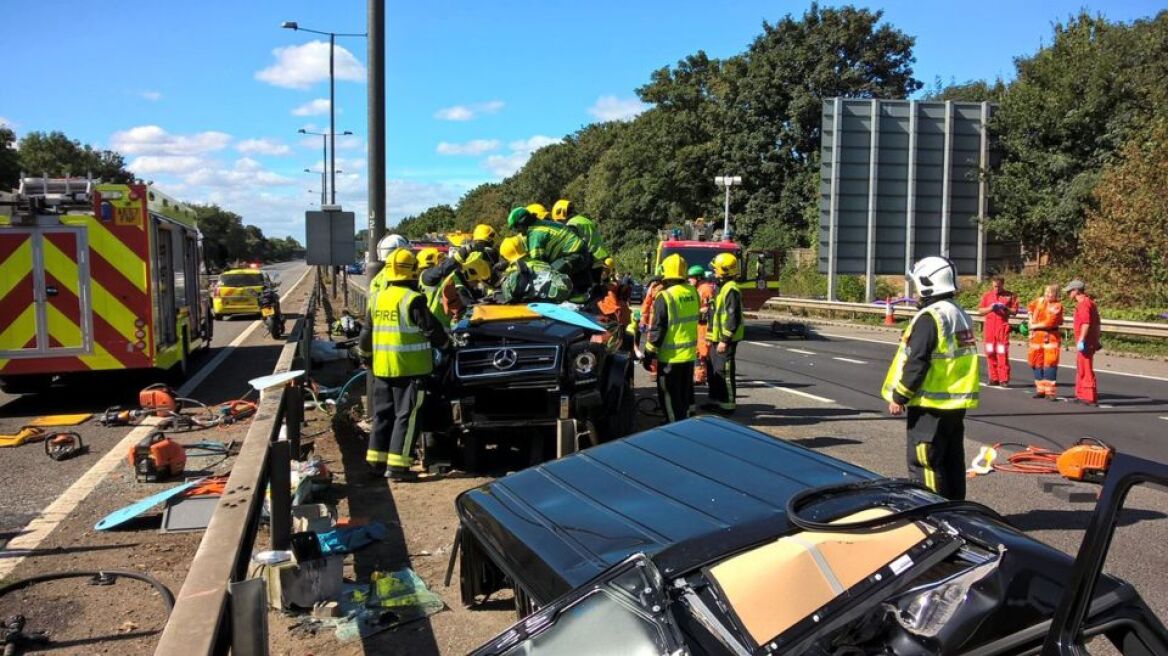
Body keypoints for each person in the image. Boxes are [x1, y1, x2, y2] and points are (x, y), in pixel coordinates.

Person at [882, 256, 979, 500]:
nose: (915, 290)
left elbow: (918, 361)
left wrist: (900, 396)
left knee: (925, 463)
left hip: (929, 406)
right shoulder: (958, 313)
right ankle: (956, 511)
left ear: (927, 283)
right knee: (951, 462)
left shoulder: (930, 317)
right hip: (954, 404)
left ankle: (931, 514)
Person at [357, 248, 450, 481]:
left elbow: (366, 333)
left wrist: (365, 356)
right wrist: (448, 345)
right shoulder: (413, 299)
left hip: (382, 369)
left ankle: (376, 462)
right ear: (413, 272)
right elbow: (432, 330)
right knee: (406, 417)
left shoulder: (378, 297)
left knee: (383, 414)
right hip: (411, 370)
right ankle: (398, 467)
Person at [644, 254, 699, 423]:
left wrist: (649, 353)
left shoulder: (665, 296)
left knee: (668, 396)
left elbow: (658, 328)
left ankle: (673, 427)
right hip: (688, 356)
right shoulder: (693, 292)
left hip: (670, 359)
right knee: (683, 394)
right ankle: (685, 421)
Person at [506, 206, 593, 299]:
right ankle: (579, 298)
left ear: (522, 222)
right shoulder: (542, 224)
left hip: (574, 256)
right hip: (582, 254)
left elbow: (539, 265)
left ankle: (565, 302)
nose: (517, 231)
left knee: (550, 276)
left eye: (516, 227)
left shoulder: (535, 234)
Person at [704, 253, 743, 414]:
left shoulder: (731, 290)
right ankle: (715, 400)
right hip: (716, 338)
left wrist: (725, 340)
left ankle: (728, 405)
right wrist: (709, 337)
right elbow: (715, 315)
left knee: (724, 372)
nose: (713, 272)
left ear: (725, 271)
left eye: (716, 270)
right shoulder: (721, 288)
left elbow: (732, 318)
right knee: (713, 371)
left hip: (725, 340)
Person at [552, 199, 611, 286]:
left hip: (590, 262)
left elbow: (572, 247)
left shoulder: (572, 224)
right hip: (601, 261)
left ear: (561, 215)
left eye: (559, 221)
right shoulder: (584, 220)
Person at [498, 234, 571, 303]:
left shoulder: (514, 269)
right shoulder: (538, 262)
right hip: (560, 292)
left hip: (540, 300)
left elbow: (508, 295)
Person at [1065, 279, 1101, 406]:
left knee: (1086, 368)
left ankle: (1089, 396)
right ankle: (1080, 394)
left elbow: (1086, 323)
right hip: (1090, 340)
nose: (1068, 293)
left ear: (1076, 291)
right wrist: (1097, 339)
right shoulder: (1090, 303)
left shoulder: (1084, 304)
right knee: (1081, 367)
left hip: (1086, 341)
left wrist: (1081, 339)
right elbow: (1097, 324)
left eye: (1070, 291)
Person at [977, 275, 1019, 387]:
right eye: (995, 286)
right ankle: (993, 378)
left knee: (1002, 353)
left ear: (1002, 285)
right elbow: (980, 310)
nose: (996, 289)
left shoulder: (1010, 295)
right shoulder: (987, 296)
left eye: (999, 287)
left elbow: (1015, 311)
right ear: (992, 285)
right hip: (990, 330)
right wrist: (990, 308)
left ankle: (1003, 379)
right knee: (990, 353)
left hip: (1002, 329)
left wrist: (1005, 308)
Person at [419, 249, 477, 327]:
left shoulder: (444, 277)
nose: (443, 262)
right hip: (435, 323)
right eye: (440, 259)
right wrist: (461, 253)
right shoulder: (426, 276)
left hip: (446, 323)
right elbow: (441, 270)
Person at [1027, 284, 1064, 400]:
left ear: (1056, 295)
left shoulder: (1057, 306)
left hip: (1050, 337)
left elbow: (1050, 322)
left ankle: (1050, 392)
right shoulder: (1039, 301)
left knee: (1050, 363)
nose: (1048, 295)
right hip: (1036, 337)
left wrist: (1034, 326)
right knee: (1036, 363)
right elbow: (1030, 309)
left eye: (1051, 293)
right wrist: (1030, 321)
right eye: (1046, 292)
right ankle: (1040, 390)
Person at [688, 265, 716, 385]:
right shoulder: (698, 289)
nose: (689, 280)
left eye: (691, 277)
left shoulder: (705, 289)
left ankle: (702, 377)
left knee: (703, 352)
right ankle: (702, 376)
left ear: (698, 277)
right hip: (698, 325)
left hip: (704, 325)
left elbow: (707, 310)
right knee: (699, 351)